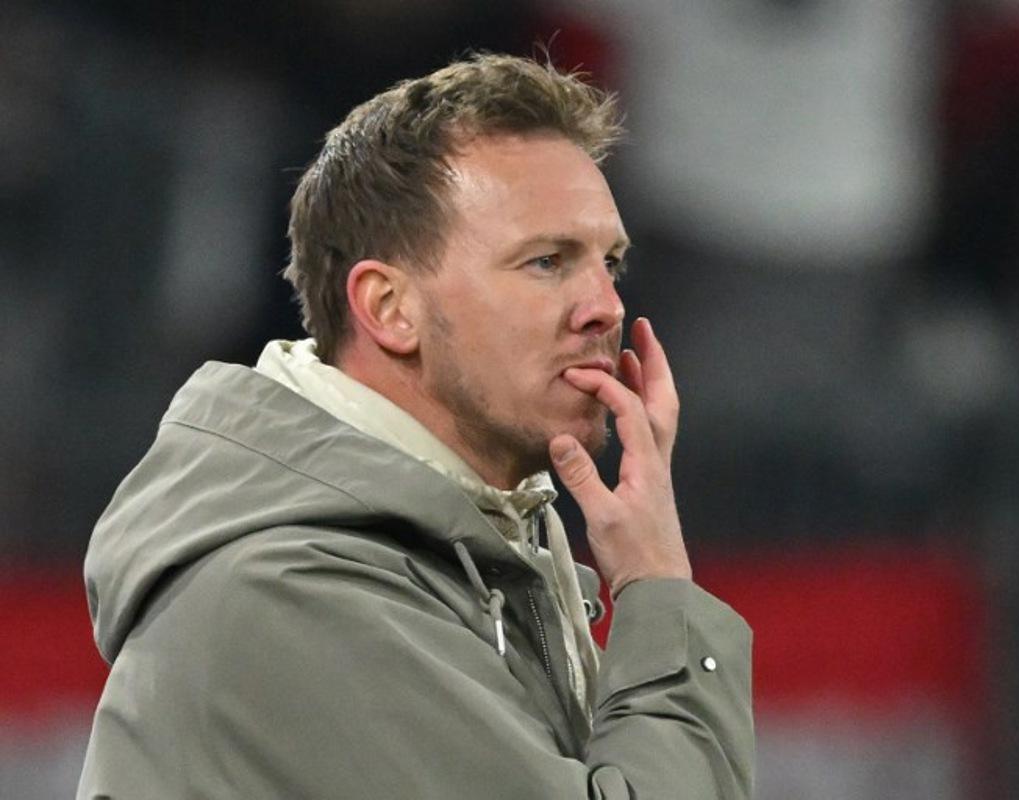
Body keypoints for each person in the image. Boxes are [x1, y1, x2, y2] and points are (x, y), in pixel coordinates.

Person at [77, 53, 754, 799]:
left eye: (610, 263)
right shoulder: (297, 592)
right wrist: (658, 590)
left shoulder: (472, 544)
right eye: (547, 262)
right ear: (390, 309)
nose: (605, 306)